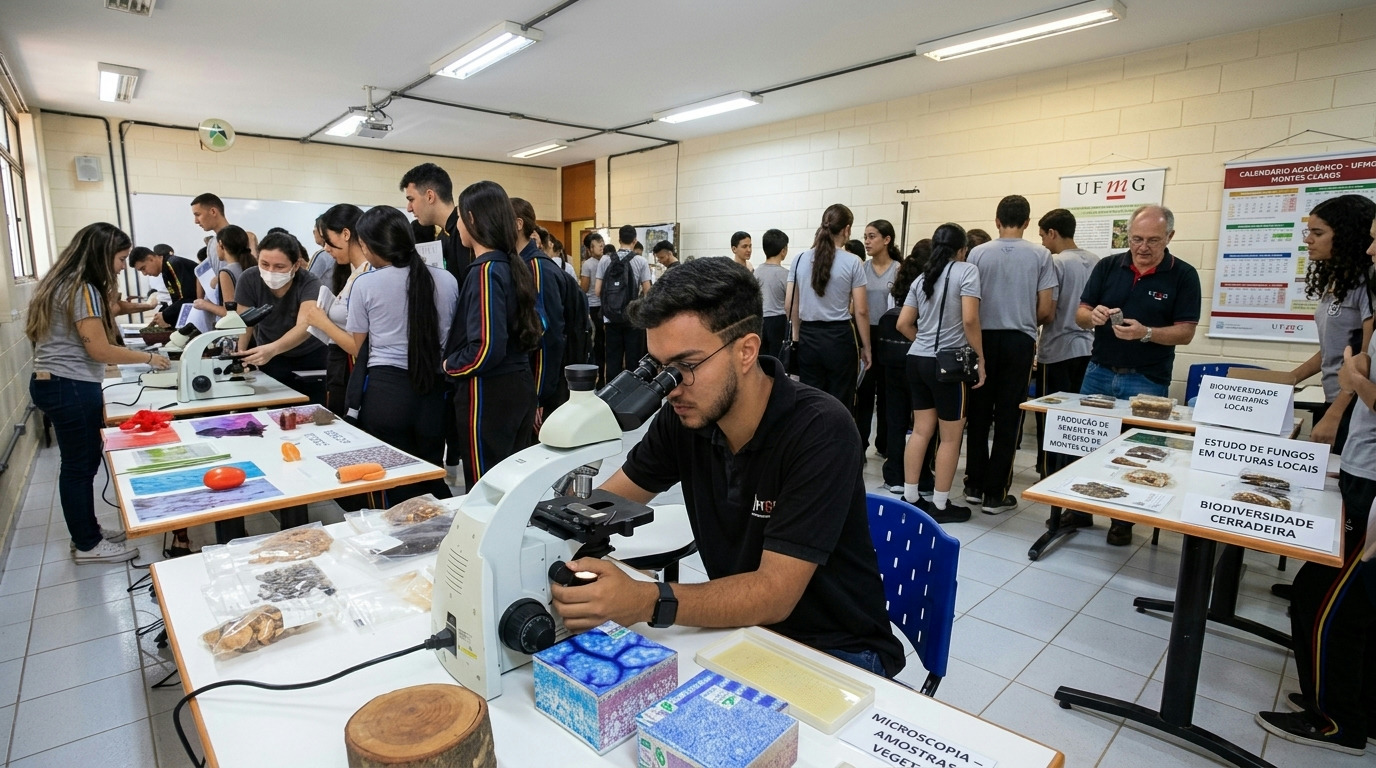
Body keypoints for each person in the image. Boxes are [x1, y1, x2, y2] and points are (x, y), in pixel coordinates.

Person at [549, 257, 905, 678]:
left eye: (686, 366)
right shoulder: (685, 416)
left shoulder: (821, 430)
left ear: (746, 350)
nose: (670, 388)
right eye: (659, 369)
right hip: (741, 632)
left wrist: (645, 599)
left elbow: (774, 595)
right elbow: (607, 502)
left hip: (833, 651)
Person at [1257, 222, 1376, 753]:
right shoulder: (1348, 284)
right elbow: (1341, 359)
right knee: (1324, 596)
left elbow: (1356, 370)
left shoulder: (1366, 291)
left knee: (1326, 600)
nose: (1372, 247)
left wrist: (1349, 393)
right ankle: (1347, 706)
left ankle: (1338, 720)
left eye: (1320, 231)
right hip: (1360, 463)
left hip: (1370, 478)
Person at [27, 223, 172, 563]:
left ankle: (86, 532)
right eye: (120, 259)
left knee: (81, 463)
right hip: (70, 386)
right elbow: (100, 350)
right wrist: (151, 358)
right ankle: (88, 545)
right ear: (102, 257)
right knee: (80, 466)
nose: (122, 267)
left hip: (57, 383)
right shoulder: (82, 289)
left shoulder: (64, 282)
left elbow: (113, 311)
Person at [1077, 205, 1201, 545]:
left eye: (1153, 240)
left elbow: (1185, 332)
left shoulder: (1183, 275)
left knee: (1139, 451)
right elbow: (1080, 313)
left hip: (1146, 379)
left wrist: (1146, 333)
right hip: (1099, 371)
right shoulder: (1107, 266)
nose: (1143, 247)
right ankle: (1080, 508)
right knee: (1087, 443)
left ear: (1169, 238)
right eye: (1136, 239)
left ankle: (1123, 519)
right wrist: (1093, 317)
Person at [345, 206, 459, 503]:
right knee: (430, 473)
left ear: (367, 247)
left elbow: (361, 348)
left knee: (392, 480)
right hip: (434, 394)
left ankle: (396, 544)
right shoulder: (447, 280)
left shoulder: (365, 284)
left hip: (386, 394)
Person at [443, 180, 543, 489]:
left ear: (472, 219)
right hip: (516, 387)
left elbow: (485, 348)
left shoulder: (485, 271)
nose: (456, 225)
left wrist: (448, 365)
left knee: (487, 487)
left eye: (459, 216)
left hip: (488, 393)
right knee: (512, 484)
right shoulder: (511, 265)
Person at [962, 195, 1055, 515]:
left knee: (977, 412)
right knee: (1008, 417)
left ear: (997, 221)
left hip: (980, 339)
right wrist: (1023, 319)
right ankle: (995, 492)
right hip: (1018, 339)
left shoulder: (977, 253)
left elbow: (968, 303)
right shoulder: (1041, 254)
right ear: (1028, 222)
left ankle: (973, 484)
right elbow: (1046, 309)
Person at [896, 223, 984, 524]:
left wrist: (924, 341)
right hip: (948, 365)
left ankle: (910, 497)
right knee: (950, 438)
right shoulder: (967, 271)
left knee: (921, 430)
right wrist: (980, 360)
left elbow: (903, 323)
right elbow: (970, 320)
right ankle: (942, 505)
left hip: (916, 359)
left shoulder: (922, 278)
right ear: (962, 249)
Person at [1288, 195, 1375, 451]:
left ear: (1346, 235)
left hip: (1354, 405)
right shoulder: (1337, 282)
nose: (1307, 239)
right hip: (1335, 398)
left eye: (1317, 232)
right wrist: (1290, 378)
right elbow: (1333, 349)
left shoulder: (1367, 284)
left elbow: (1364, 358)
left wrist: (1335, 414)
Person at [1034, 209, 1100, 510]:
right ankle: (1076, 476)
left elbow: (1049, 308)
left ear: (1052, 233)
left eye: (1042, 235)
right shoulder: (1096, 260)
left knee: (1052, 421)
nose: (1043, 242)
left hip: (1057, 348)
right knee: (1079, 423)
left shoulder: (1056, 262)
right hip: (1087, 349)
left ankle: (1050, 477)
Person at [786, 204, 870, 411]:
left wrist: (797, 337)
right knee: (841, 400)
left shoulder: (798, 260)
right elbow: (861, 310)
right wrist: (866, 346)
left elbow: (790, 304)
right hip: (839, 338)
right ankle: (838, 441)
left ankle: (813, 442)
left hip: (809, 337)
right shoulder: (853, 262)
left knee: (811, 399)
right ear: (847, 229)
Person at [299, 204, 372, 416]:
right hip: (340, 368)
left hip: (353, 369)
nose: (326, 249)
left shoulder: (366, 276)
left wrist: (323, 323)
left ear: (346, 234)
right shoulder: (351, 273)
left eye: (327, 240)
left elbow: (360, 346)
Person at [881, 240, 934, 496]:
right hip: (919, 358)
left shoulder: (898, 286)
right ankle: (922, 475)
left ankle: (894, 476)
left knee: (895, 418)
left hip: (892, 357)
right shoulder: (929, 286)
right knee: (923, 423)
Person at [512, 198, 566, 418]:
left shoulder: (535, 268)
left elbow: (547, 335)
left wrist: (538, 396)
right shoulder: (522, 263)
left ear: (518, 224)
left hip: (542, 388)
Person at [855, 220, 900, 456]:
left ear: (887, 240)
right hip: (866, 333)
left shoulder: (898, 269)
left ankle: (885, 444)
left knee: (887, 394)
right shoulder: (861, 268)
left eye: (872, 236)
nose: (867, 241)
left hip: (890, 335)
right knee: (864, 393)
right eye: (865, 237)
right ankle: (859, 443)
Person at [401, 163, 473, 291]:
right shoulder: (444, 235)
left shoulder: (465, 233)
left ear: (430, 196)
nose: (409, 208)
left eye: (411, 199)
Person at [596, 225, 653, 380]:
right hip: (632, 318)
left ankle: (611, 394)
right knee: (633, 358)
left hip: (611, 318)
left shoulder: (605, 259)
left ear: (619, 239)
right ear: (635, 241)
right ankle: (632, 394)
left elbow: (597, 290)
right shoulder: (640, 261)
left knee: (613, 358)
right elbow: (648, 291)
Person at [192, 224, 255, 320]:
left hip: (233, 331)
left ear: (221, 245)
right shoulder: (251, 266)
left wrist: (205, 305)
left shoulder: (226, 272)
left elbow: (230, 312)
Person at [131, 243, 199, 328]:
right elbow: (176, 300)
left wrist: (165, 314)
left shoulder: (173, 264)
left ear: (150, 258)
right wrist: (162, 314)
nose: (144, 274)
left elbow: (188, 299)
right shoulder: (165, 270)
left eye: (143, 268)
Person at [756, 229, 790, 360]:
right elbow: (791, 302)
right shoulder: (785, 275)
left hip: (760, 320)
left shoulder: (756, 272)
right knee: (777, 360)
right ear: (783, 250)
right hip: (779, 321)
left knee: (763, 359)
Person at [581, 232, 606, 385]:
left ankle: (598, 376)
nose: (602, 247)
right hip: (599, 307)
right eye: (599, 245)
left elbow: (583, 288)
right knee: (600, 342)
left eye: (603, 244)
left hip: (595, 306)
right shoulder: (599, 262)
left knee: (596, 343)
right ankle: (601, 376)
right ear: (591, 247)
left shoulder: (589, 264)